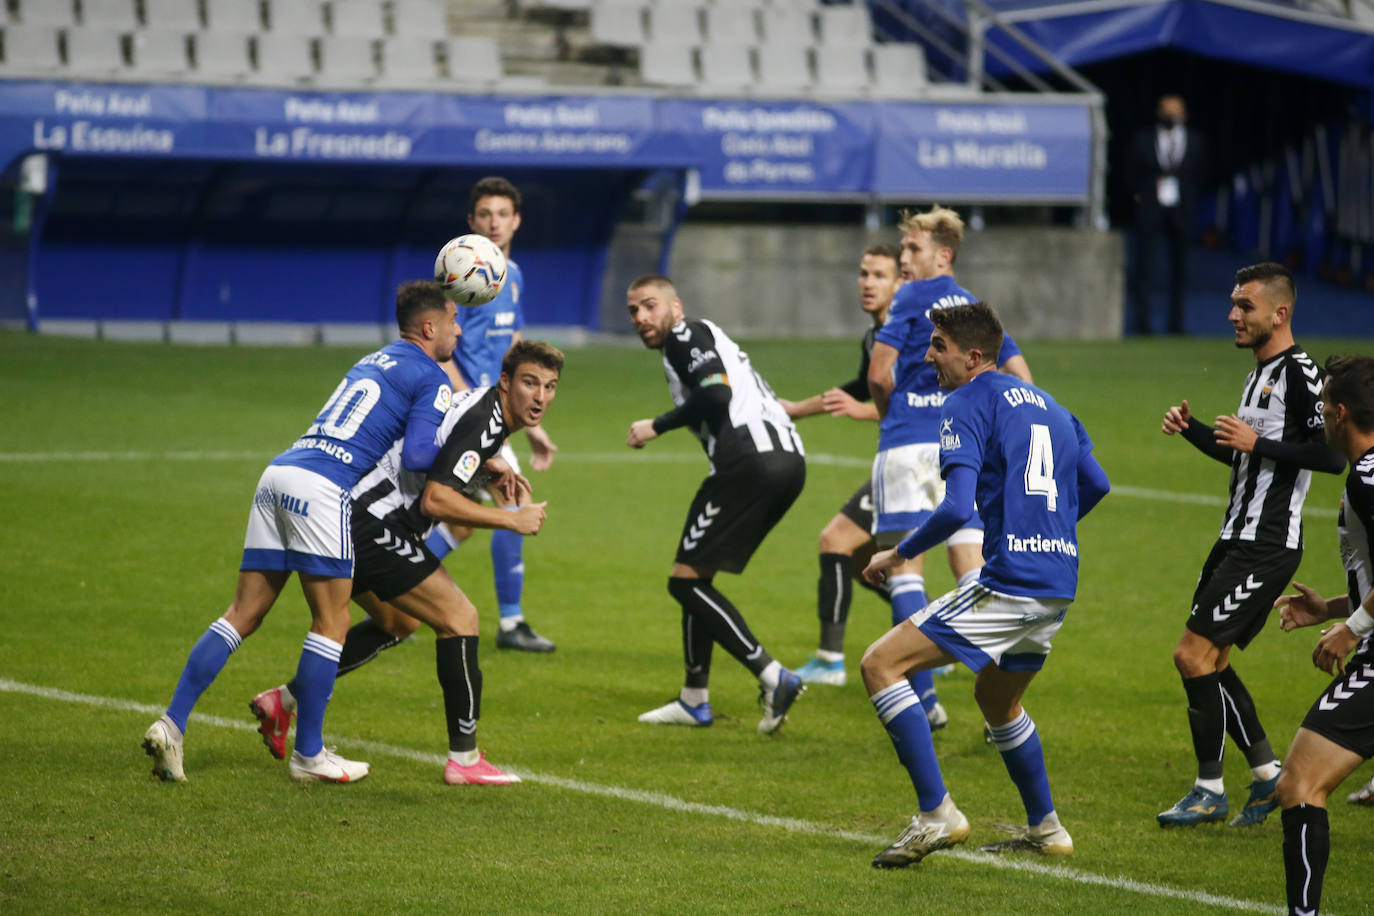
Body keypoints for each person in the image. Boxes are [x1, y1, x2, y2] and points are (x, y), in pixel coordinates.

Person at [142, 281, 459, 784]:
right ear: (428, 327)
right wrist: (466, 460)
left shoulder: (372, 360)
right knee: (332, 622)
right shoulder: (432, 376)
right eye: (452, 321)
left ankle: (172, 723)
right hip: (323, 488)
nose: (458, 331)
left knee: (242, 614)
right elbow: (420, 456)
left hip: (281, 473)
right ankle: (309, 754)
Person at [861, 302, 1109, 868]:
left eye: (939, 346)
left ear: (973, 357)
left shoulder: (967, 401)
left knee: (881, 665)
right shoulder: (1052, 405)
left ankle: (936, 815)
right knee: (997, 699)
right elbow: (1095, 483)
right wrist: (1048, 530)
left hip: (1011, 580)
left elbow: (955, 508)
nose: (928, 357)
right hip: (1058, 581)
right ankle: (1048, 829)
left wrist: (898, 553)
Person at [251, 341, 562, 785]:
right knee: (460, 618)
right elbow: (436, 500)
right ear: (506, 381)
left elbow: (442, 453)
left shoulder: (483, 409)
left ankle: (284, 702)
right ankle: (464, 760)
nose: (540, 397)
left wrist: (483, 467)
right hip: (371, 524)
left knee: (397, 622)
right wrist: (511, 520)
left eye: (549, 387)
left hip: (351, 516)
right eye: (530, 383)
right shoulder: (485, 420)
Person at [1157, 262, 1345, 827]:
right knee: (1211, 660)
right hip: (1235, 536)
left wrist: (1257, 443)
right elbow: (1248, 456)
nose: (1232, 315)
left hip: (1266, 543)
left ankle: (1208, 789)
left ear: (1279, 313)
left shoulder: (1302, 374)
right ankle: (1266, 777)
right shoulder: (1259, 374)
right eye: (1234, 303)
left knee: (1192, 655)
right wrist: (1192, 430)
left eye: (1245, 306)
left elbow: (1330, 456)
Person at [866, 205, 1034, 729]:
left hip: (906, 444)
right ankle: (1000, 702)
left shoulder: (909, 297)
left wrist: (888, 411)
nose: (904, 257)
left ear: (942, 255)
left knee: (904, 571)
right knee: (974, 569)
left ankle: (924, 699)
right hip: (963, 447)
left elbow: (878, 373)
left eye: (913, 248)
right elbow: (1023, 380)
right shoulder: (972, 309)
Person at [625, 274, 807, 734]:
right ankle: (694, 699)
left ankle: (773, 676)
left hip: (749, 461)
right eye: (634, 311)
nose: (641, 317)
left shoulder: (684, 335)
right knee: (695, 573)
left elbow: (716, 392)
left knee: (684, 583)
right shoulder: (709, 337)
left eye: (650, 305)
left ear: (675, 307)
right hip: (787, 460)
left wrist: (656, 425)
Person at [426, 175, 558, 653]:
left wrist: (532, 424)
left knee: (462, 521)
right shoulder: (460, 277)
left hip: (496, 411)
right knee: (514, 503)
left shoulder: (513, 274)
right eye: (484, 215)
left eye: (502, 214)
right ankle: (511, 622)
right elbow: (440, 351)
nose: (494, 223)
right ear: (471, 222)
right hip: (470, 411)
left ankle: (395, 583)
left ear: (516, 221)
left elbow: (514, 347)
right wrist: (472, 408)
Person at [1271, 354, 1374, 916]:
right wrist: (1331, 609)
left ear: (1340, 413)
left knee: (1300, 783)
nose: (1319, 416)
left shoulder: (1368, 476)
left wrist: (1352, 629)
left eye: (1322, 406)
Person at [778, 243, 906, 688]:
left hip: (920, 464)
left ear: (900, 283)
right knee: (862, 560)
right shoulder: (876, 337)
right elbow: (859, 387)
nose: (867, 283)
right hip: (902, 463)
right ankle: (935, 643)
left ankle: (830, 660)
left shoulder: (910, 335)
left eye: (879, 275)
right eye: (864, 273)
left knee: (836, 540)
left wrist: (864, 411)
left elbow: (919, 406)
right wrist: (797, 409)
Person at [1126, 94, 1208, 335]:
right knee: (1144, 268)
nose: (1170, 115)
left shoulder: (1196, 141)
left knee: (1181, 270)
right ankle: (1142, 324)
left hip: (1182, 211)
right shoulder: (1143, 140)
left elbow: (1202, 174)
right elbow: (1130, 173)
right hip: (1150, 210)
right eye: (1166, 110)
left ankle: (1177, 324)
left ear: (1184, 114)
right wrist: (1141, 198)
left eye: (1175, 110)